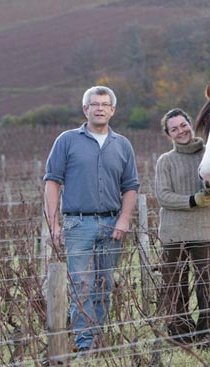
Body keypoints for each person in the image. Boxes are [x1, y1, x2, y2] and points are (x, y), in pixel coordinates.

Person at [44, 86, 139, 352]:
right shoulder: (67, 140)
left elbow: (131, 186)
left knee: (105, 284)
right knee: (81, 286)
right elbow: (52, 182)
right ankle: (86, 345)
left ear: (112, 110)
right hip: (78, 224)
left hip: (112, 225)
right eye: (94, 104)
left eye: (104, 104)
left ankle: (98, 339)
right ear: (85, 109)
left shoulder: (122, 145)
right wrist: (53, 224)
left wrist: (125, 218)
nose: (99, 108)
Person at [155, 108, 210, 345]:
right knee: (175, 288)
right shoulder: (165, 161)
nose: (181, 131)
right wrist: (192, 200)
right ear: (168, 134)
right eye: (174, 129)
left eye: (183, 125)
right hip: (173, 234)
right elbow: (163, 196)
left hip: (204, 231)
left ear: (190, 124)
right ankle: (181, 338)